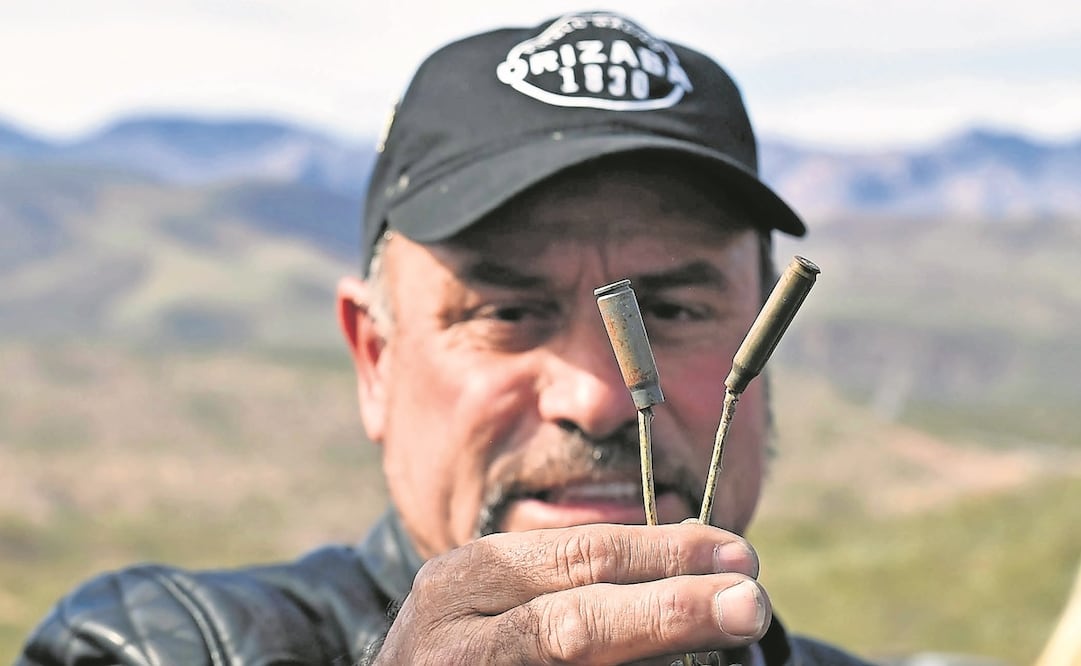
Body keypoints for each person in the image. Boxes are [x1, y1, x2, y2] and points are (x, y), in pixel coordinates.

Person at [19, 11, 874, 665]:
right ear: (375, 359)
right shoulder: (153, 646)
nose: (599, 397)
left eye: (678, 312)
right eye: (507, 313)